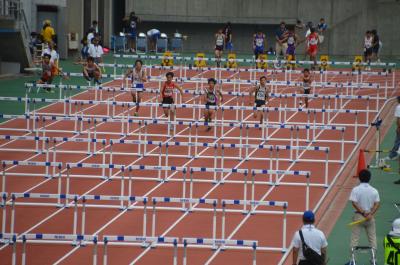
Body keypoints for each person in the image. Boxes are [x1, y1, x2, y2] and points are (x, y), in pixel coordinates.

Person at [349, 169, 380, 255]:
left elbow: (354, 203)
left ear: (359, 178)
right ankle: (374, 259)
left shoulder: (356, 189)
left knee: (355, 238)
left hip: (359, 217)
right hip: (370, 218)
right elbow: (377, 204)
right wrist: (370, 214)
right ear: (369, 178)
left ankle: (353, 260)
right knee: (372, 238)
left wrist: (363, 213)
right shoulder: (374, 190)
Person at [385, 96, 400, 184]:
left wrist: (398, 127)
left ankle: (392, 155)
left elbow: (398, 119)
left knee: (397, 141)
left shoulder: (398, 107)